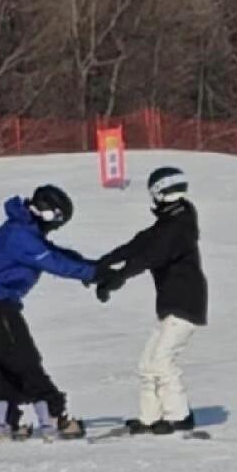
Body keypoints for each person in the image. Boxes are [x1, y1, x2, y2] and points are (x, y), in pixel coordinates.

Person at [0, 185, 97, 440]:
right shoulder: (20, 235)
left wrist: (90, 265)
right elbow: (53, 262)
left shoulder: (24, 229)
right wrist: (94, 273)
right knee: (25, 360)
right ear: (47, 213)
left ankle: (3, 422)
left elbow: (56, 254)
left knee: (7, 363)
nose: (56, 228)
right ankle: (54, 416)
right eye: (58, 221)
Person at [95, 165, 208, 435]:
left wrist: (118, 277)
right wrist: (103, 263)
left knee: (162, 362)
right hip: (171, 305)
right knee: (147, 364)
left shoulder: (179, 227)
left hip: (185, 304)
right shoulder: (170, 222)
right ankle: (149, 418)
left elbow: (150, 256)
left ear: (158, 193)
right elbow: (139, 244)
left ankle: (180, 417)